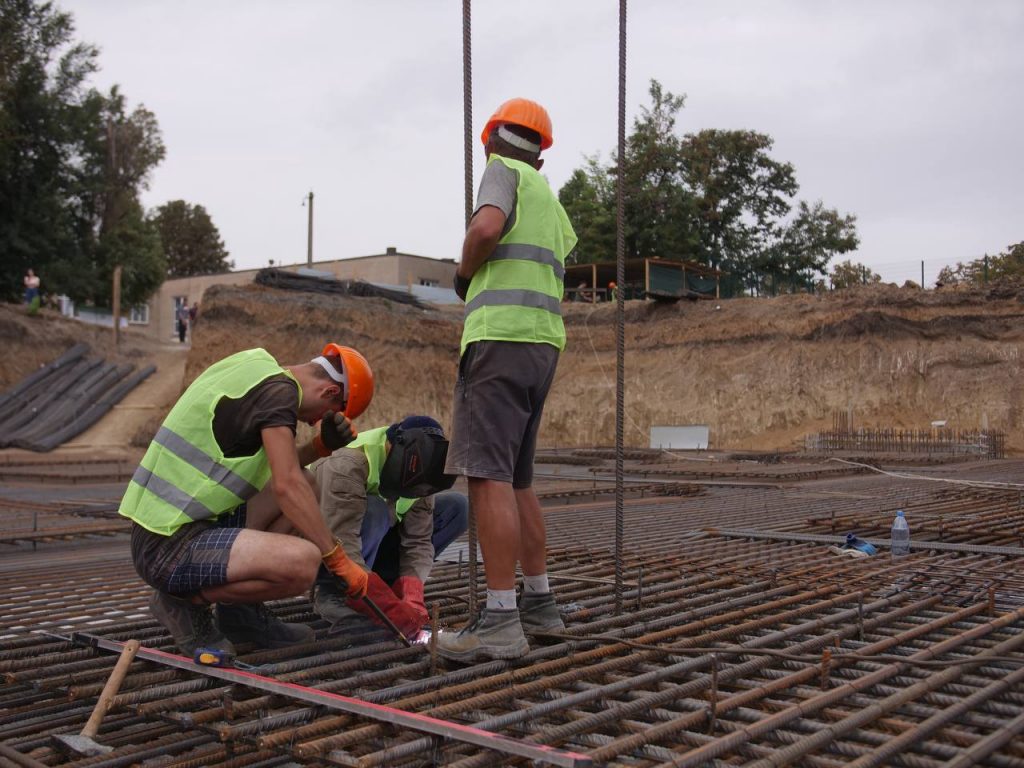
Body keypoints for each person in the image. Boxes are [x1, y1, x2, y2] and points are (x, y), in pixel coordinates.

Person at [119, 343, 375, 656]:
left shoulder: (256, 368)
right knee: (304, 562)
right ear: (330, 393)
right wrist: (336, 558)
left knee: (308, 481)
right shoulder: (279, 394)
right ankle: (181, 602)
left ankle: (239, 613)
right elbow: (287, 486)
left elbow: (281, 471)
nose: (312, 422)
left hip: (177, 528)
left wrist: (319, 448)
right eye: (321, 418)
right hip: (168, 548)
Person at [440, 97, 577, 662]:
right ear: (543, 153)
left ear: (491, 136)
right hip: (542, 345)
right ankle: (539, 605)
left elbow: (487, 229)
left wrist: (464, 273)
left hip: (500, 338)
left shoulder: (501, 171)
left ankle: (499, 619)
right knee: (518, 479)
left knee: (485, 476)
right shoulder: (550, 198)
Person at [310, 415, 468, 638]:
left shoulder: (423, 472)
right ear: (396, 450)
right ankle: (333, 593)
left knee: (457, 508)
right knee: (376, 510)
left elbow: (419, 541)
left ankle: (386, 586)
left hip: (371, 546)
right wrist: (384, 604)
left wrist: (412, 593)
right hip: (323, 550)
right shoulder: (348, 461)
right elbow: (341, 541)